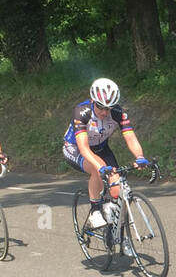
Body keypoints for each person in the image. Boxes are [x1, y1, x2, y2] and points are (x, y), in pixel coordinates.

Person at [61, 78, 149, 229]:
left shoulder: (117, 113)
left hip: (102, 149)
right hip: (75, 148)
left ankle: (121, 236)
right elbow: (83, 148)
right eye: (100, 107)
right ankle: (95, 212)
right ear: (93, 101)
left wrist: (140, 156)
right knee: (98, 169)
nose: (104, 112)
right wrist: (101, 167)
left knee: (119, 189)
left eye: (108, 108)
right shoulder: (82, 112)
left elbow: (130, 137)